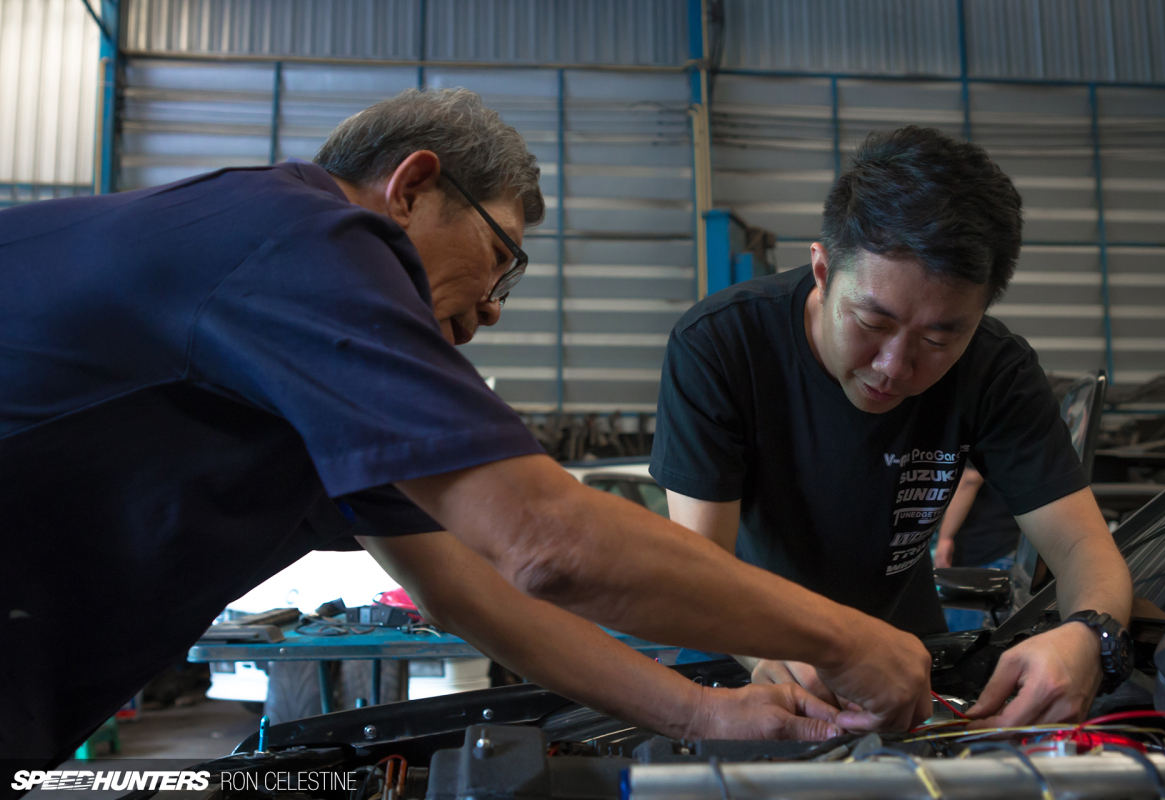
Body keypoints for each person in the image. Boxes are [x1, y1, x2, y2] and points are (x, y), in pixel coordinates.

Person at [0, 89, 933, 764]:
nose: (490, 310)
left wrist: (703, 712)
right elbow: (548, 542)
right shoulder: (302, 237)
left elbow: (472, 589)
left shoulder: (303, 358)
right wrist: (847, 640)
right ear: (411, 187)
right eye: (501, 257)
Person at [650, 126, 1133, 729]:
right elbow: (699, 567)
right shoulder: (722, 346)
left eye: (938, 339)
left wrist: (1089, 636)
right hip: (749, 654)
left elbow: (1084, 546)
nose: (894, 367)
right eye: (872, 323)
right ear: (823, 270)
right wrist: (771, 651)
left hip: (910, 661)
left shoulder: (994, 370)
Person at [933, 462, 1022, 631]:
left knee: (969, 638)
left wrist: (945, 537)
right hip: (991, 545)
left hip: (984, 550)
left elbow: (970, 478)